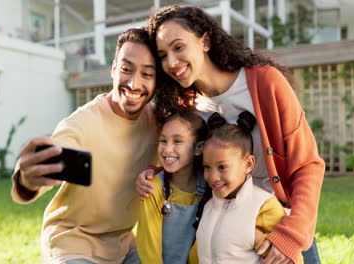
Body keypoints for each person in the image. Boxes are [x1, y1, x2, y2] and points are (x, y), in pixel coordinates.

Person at [136, 5, 325, 264]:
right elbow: (185, 161)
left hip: (279, 225)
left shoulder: (265, 83)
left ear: (205, 41)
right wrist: (156, 171)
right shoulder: (187, 106)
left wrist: (291, 235)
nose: (171, 62)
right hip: (223, 228)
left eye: (178, 47)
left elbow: (307, 165)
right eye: (163, 55)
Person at [12, 28, 160, 264]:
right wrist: (27, 180)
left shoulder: (157, 123)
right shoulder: (82, 123)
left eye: (147, 74)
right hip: (72, 243)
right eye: (126, 69)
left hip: (123, 244)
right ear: (113, 69)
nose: (134, 83)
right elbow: (54, 155)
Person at [196, 111, 303, 264]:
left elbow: (292, 259)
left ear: (248, 164)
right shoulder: (208, 207)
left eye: (222, 167)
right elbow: (198, 254)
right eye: (207, 167)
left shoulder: (263, 206)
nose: (213, 177)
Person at [136, 110, 211, 264]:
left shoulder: (210, 186)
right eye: (163, 141)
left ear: (198, 148)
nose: (167, 149)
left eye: (177, 141)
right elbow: (148, 249)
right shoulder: (154, 188)